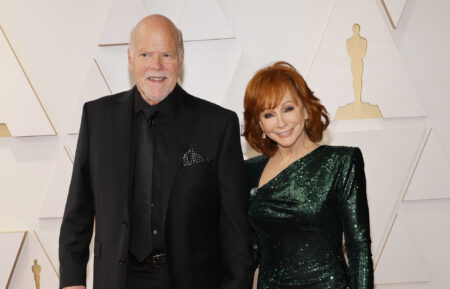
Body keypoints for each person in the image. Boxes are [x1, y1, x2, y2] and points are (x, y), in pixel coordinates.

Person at [59, 15, 253, 289]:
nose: (156, 65)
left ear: (181, 58)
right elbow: (78, 209)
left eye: (166, 54)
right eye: (145, 54)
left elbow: (236, 228)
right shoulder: (98, 117)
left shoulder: (218, 124)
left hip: (192, 280)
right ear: (130, 59)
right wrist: (71, 280)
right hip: (118, 279)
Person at [243, 61, 373, 289]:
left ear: (305, 109)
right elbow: (252, 250)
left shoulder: (341, 162)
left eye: (288, 108)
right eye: (269, 114)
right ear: (260, 123)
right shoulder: (249, 171)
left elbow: (358, 246)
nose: (281, 122)